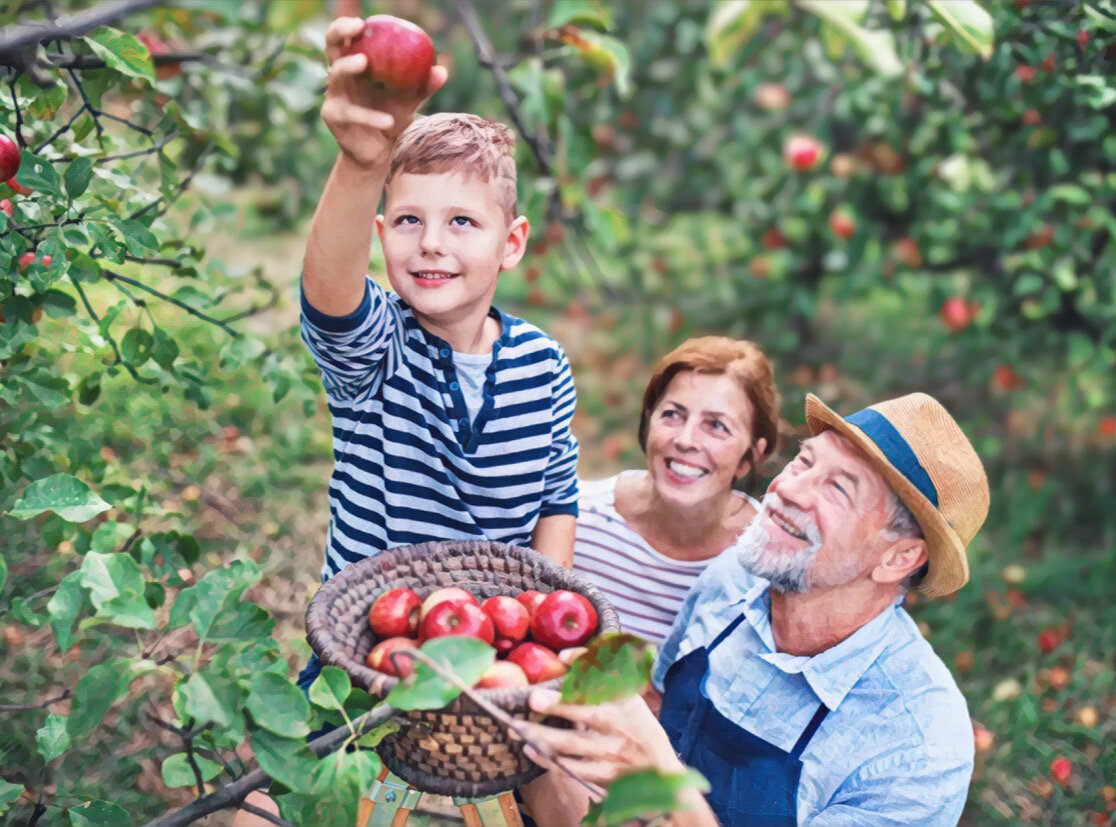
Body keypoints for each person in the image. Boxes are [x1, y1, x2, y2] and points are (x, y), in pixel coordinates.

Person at [236, 15, 579, 825]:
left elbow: (556, 497)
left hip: (492, 652)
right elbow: (330, 298)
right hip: (362, 653)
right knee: (264, 804)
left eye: (462, 222)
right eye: (411, 222)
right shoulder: (378, 349)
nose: (432, 244)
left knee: (562, 790)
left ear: (512, 242)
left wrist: (547, 633)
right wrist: (361, 166)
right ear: (383, 234)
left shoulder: (543, 365)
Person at [520, 392, 989, 826]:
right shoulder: (732, 578)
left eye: (839, 489)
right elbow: (659, 704)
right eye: (803, 461)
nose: (790, 489)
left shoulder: (917, 748)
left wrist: (663, 784)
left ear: (898, 558)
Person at [572, 336, 780, 647]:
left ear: (751, 456)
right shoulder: (577, 518)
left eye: (717, 425)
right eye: (673, 414)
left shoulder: (770, 562)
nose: (685, 439)